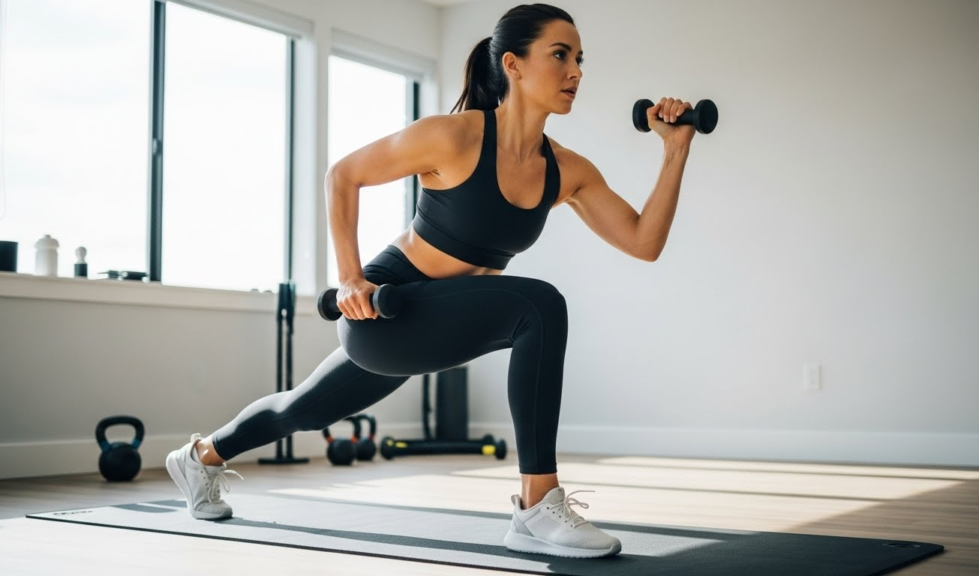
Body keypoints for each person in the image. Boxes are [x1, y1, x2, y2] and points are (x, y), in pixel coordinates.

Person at [166, 2, 694, 559]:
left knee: (305, 408)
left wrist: (675, 150)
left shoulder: (567, 170)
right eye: (560, 55)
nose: (576, 72)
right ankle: (537, 506)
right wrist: (349, 279)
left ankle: (200, 456)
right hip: (386, 311)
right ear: (512, 65)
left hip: (439, 320)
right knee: (538, 306)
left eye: (579, 59)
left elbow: (643, 242)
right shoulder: (454, 137)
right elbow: (344, 175)